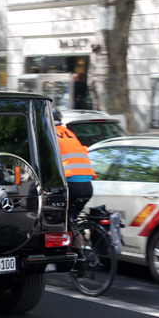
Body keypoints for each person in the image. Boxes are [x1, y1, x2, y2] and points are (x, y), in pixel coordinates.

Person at [54, 109, 96, 259]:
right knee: (72, 219)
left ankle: (76, 255)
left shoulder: (52, 135)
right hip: (87, 185)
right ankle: (77, 253)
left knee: (61, 217)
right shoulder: (70, 134)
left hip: (72, 184)